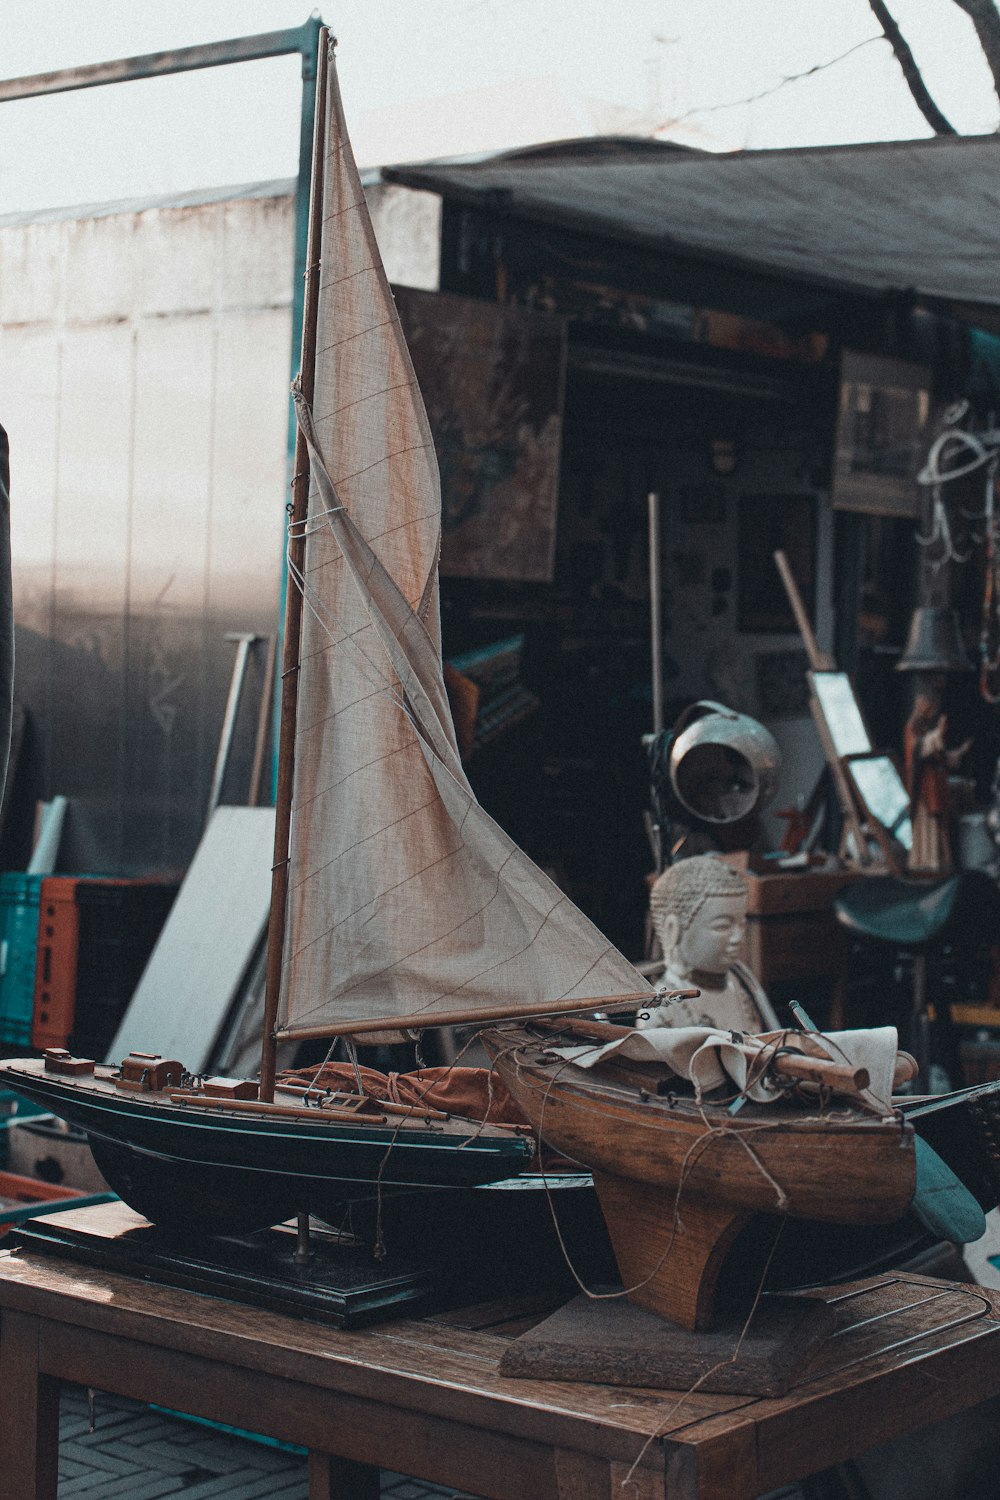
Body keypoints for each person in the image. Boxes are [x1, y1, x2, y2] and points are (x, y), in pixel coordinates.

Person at [637, 854, 779, 1033]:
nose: (738, 937)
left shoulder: (738, 986)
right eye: (722, 926)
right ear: (672, 929)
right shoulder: (660, 1008)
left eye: (742, 925)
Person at [904, 689, 971, 875]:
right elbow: (919, 749)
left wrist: (959, 752)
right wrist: (937, 735)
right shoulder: (912, 729)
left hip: (935, 785)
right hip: (924, 787)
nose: (931, 712)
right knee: (927, 826)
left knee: (938, 825)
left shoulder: (924, 730)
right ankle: (926, 862)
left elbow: (939, 755)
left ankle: (938, 861)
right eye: (929, 708)